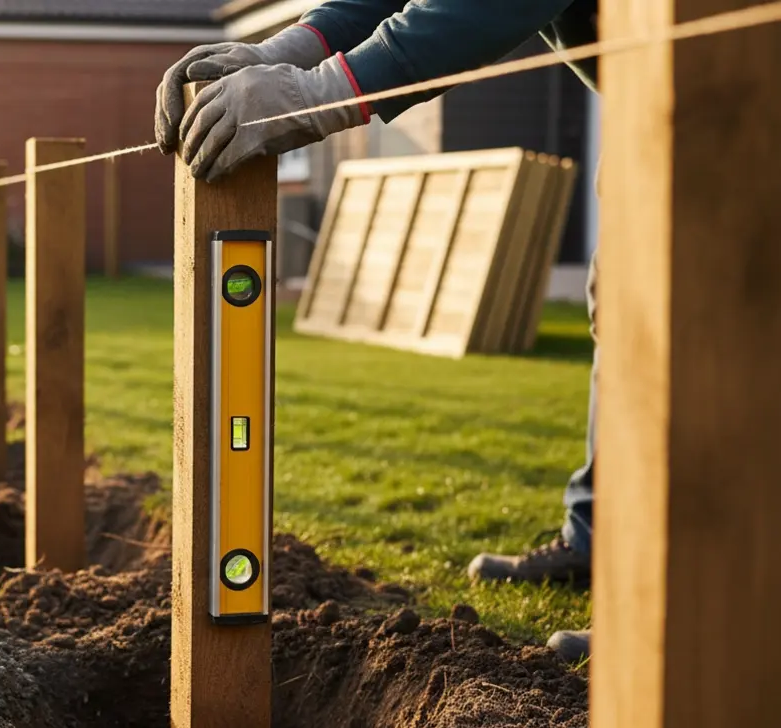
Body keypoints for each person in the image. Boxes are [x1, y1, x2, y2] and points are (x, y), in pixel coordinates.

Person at [154, 0, 599, 663]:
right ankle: (603, 535)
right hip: (660, 102)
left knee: (700, 332)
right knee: (625, 316)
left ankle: (694, 600)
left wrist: (321, 92)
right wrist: (287, 49)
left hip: (739, 92)